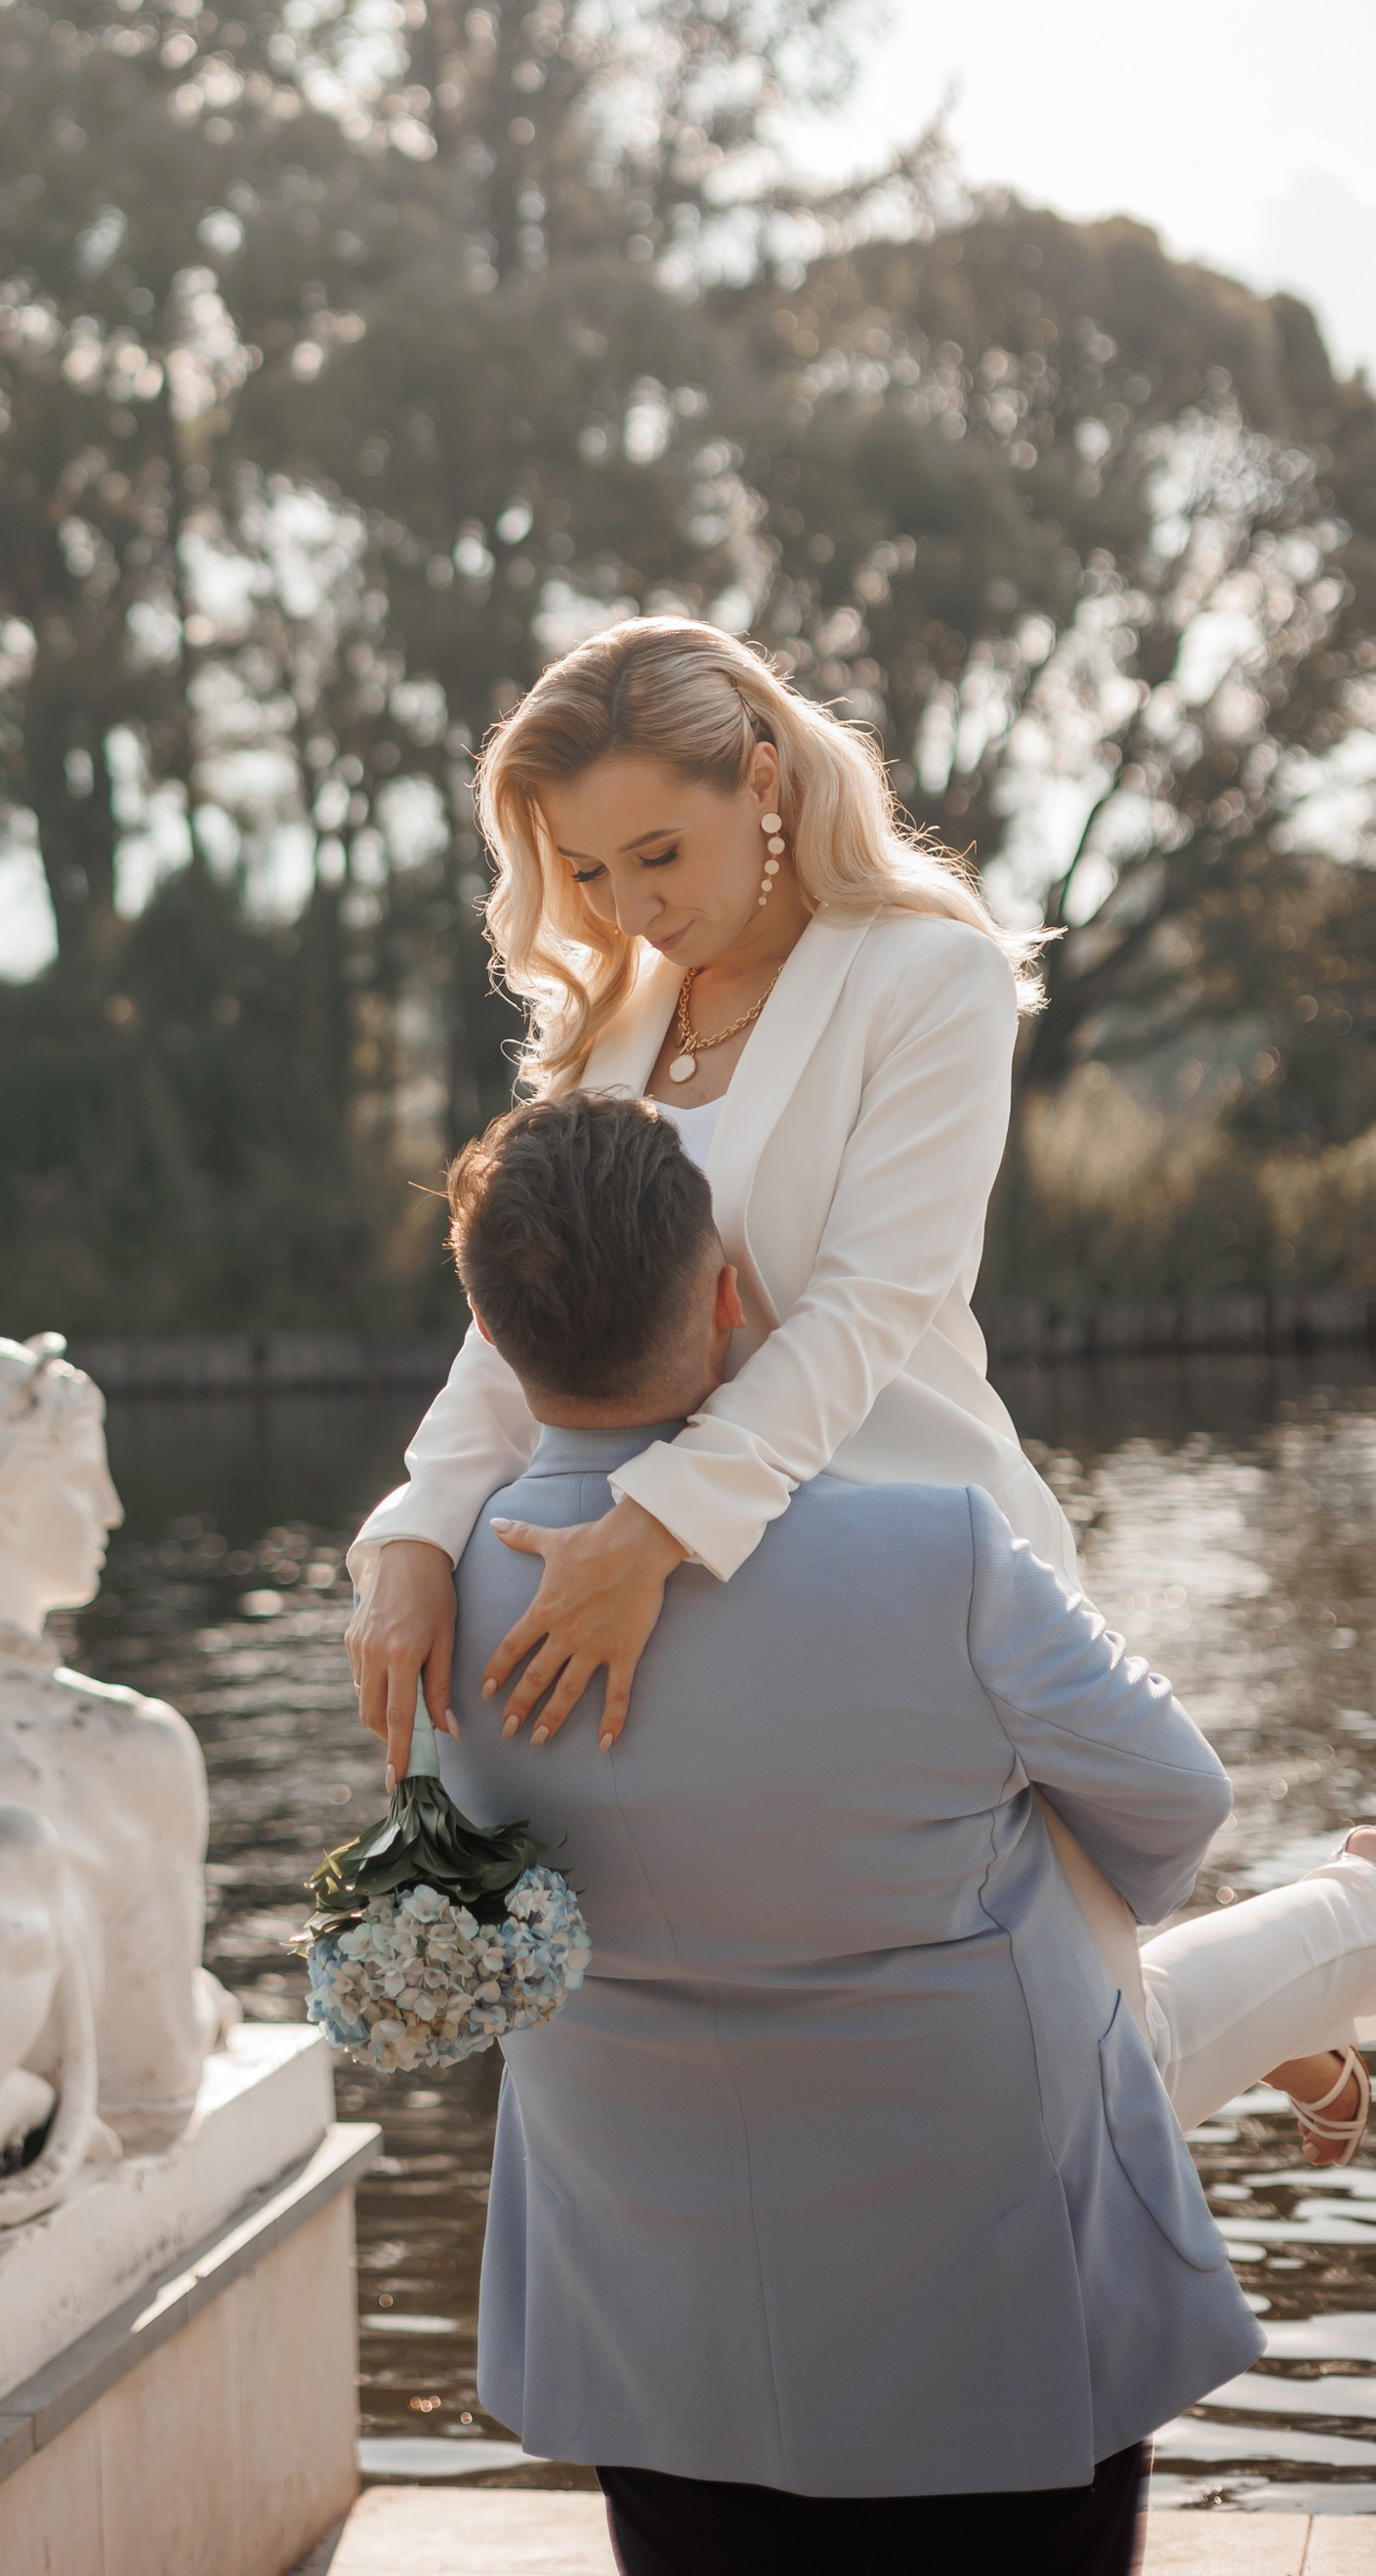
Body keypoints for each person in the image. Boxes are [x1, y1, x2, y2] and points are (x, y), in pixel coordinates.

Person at [350, 616, 1376, 2158]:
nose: (628, 907)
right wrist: (414, 1534)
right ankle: (1270, 2005)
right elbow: (518, 1313)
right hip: (670, 1585)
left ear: (761, 780)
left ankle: (1344, 1925)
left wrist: (658, 1525)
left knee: (1072, 2078)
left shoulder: (928, 972)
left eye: (658, 854)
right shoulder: (614, 1017)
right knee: (902, 2056)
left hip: (914, 1558)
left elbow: (872, 1304)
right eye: (584, 872)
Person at [441, 1091, 1261, 2574]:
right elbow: (1175, 1797)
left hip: (650, 2303)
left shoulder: (434, 1611)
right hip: (990, 2280)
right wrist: (1062, 1923)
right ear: (730, 1300)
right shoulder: (932, 1549)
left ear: (491, 1344)